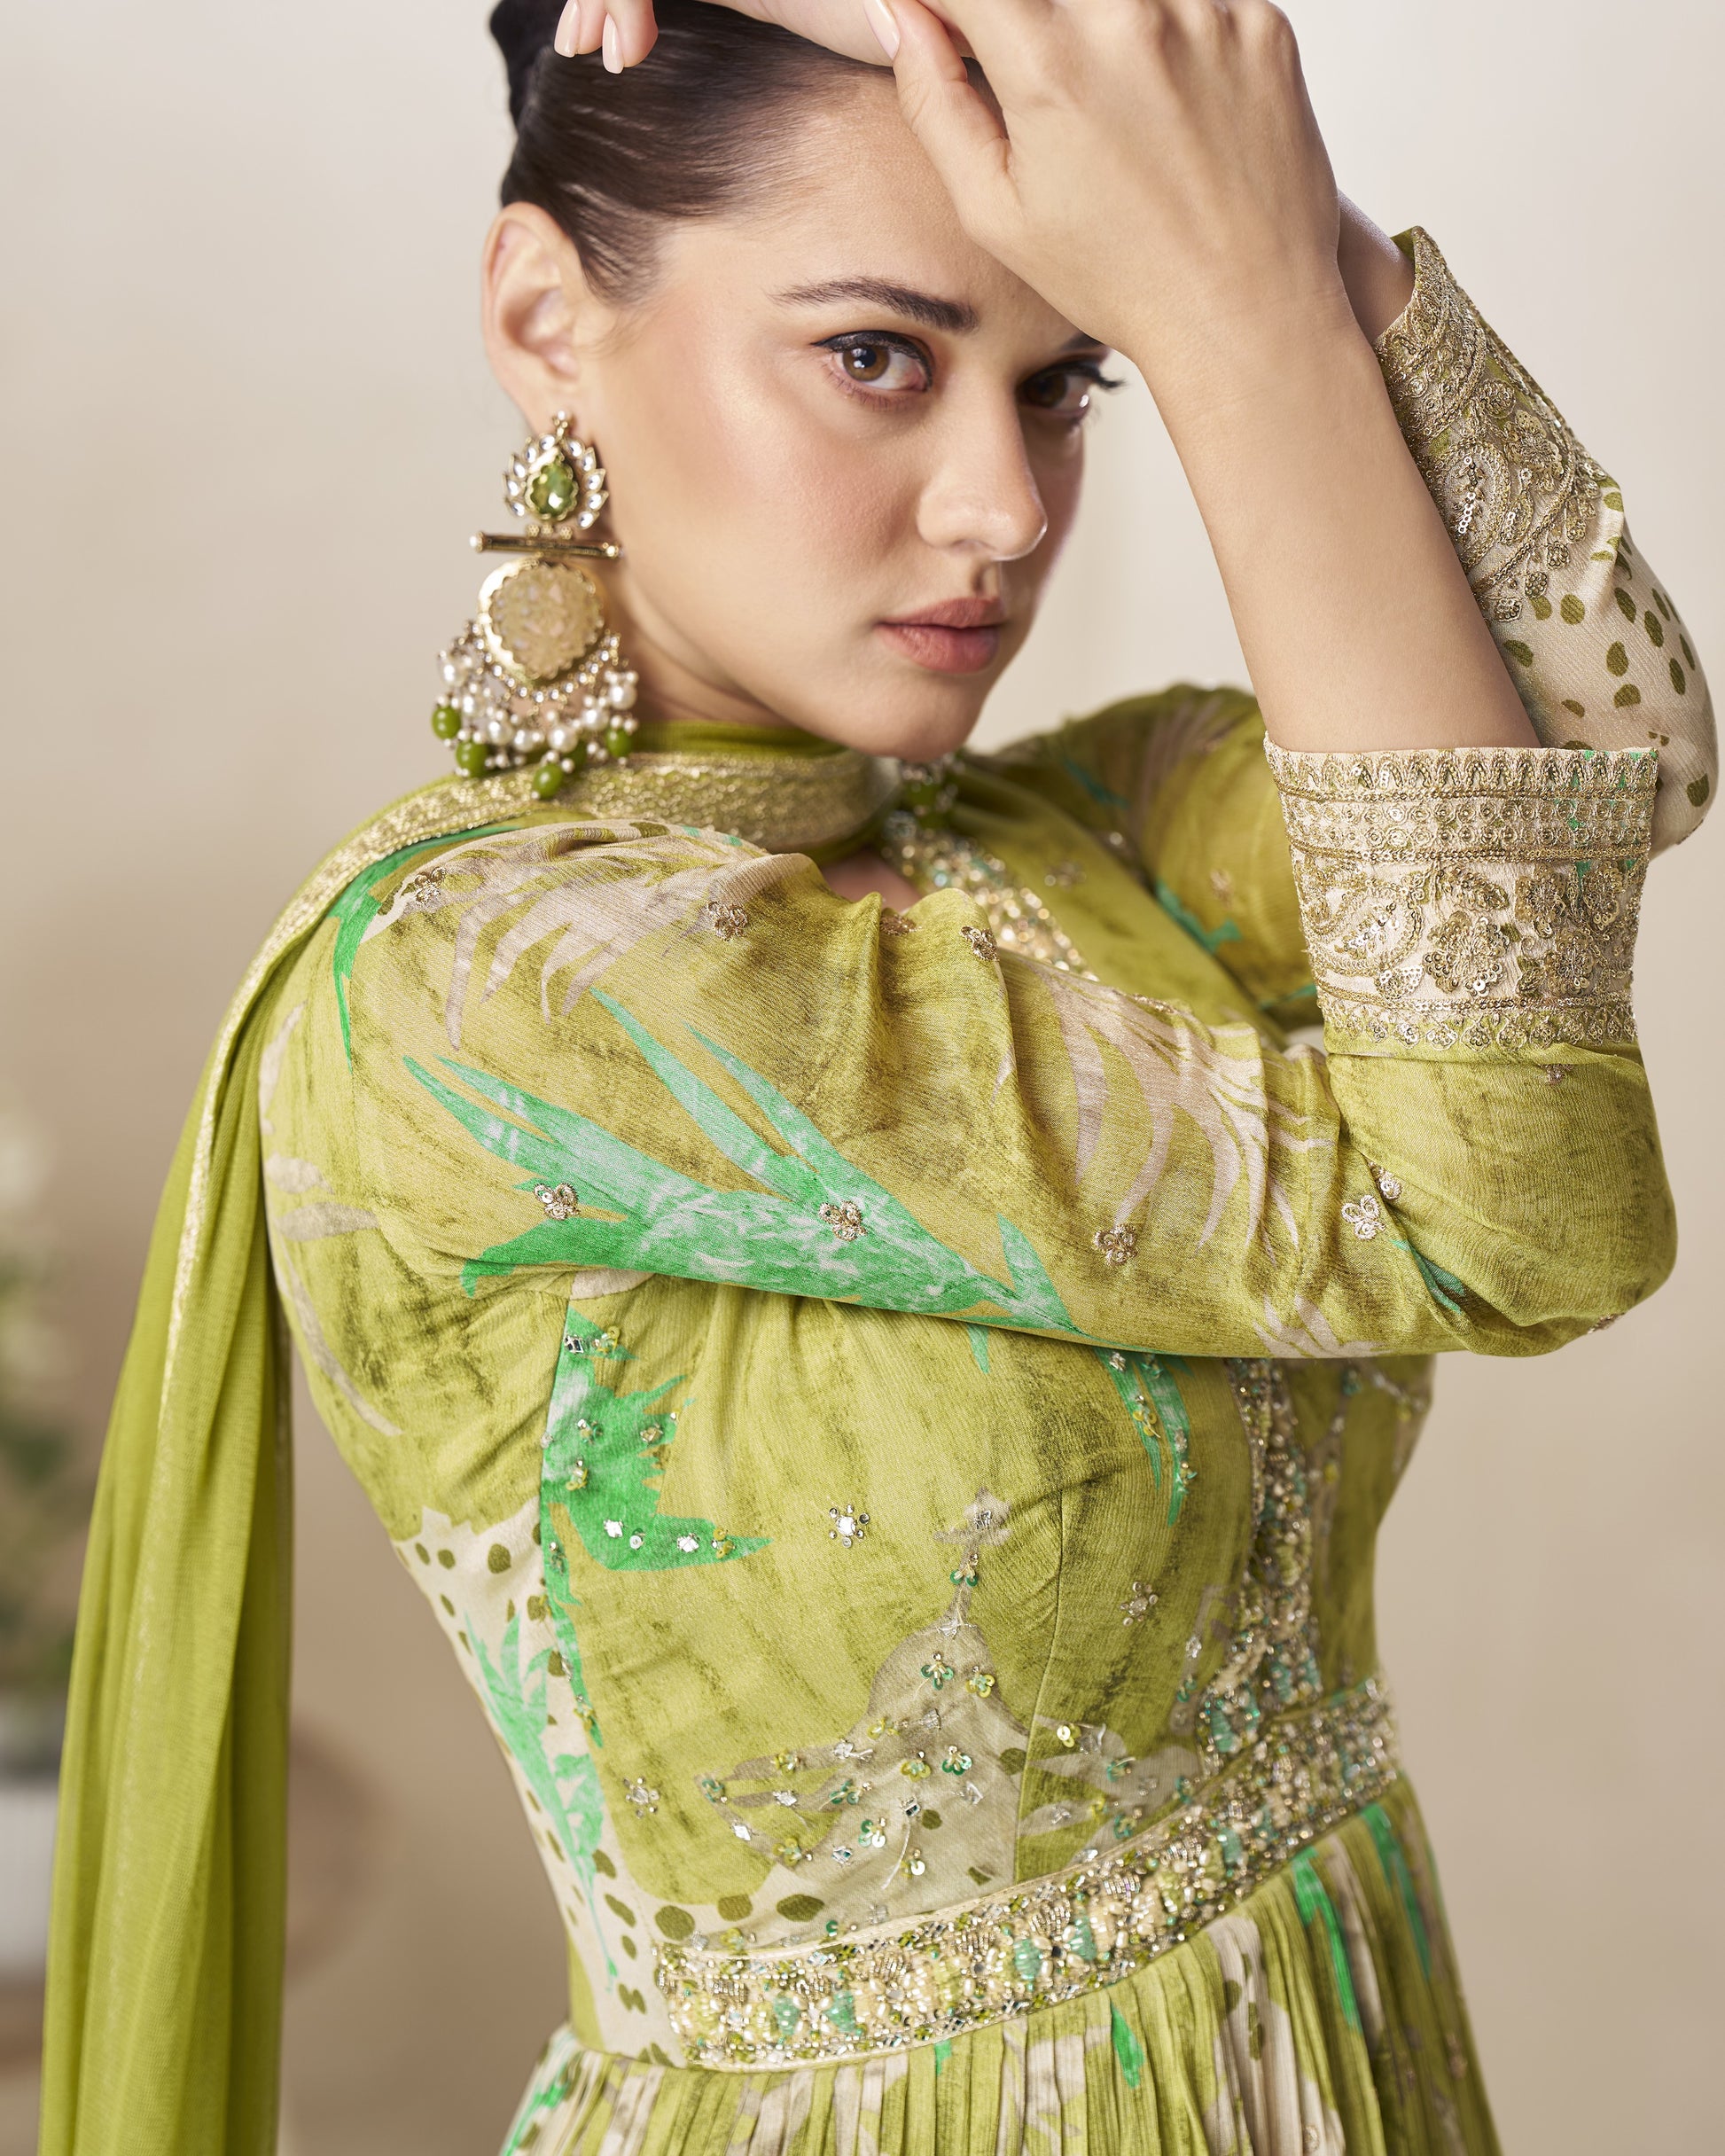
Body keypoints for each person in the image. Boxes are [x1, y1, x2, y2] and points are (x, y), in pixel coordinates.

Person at [40, 2, 1717, 2152]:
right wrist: (1235, 325)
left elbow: (1609, 758)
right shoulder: (488, 984)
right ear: (547, 316)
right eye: (876, 356)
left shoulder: (1088, 830)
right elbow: (1520, 1211)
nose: (1003, 505)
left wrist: (1264, 213)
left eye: (1065, 374)